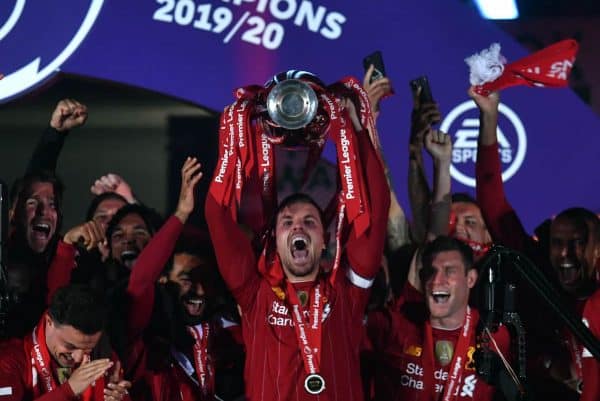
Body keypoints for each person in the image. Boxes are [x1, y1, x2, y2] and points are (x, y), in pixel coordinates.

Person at [206, 87, 390, 400]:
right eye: (287, 222)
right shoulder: (254, 294)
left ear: (324, 241)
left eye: (309, 221)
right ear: (274, 241)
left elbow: (377, 207)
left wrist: (355, 128)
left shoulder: (348, 293)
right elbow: (216, 213)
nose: (297, 227)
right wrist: (236, 136)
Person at [471, 86, 600, 398]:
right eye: (557, 242)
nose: (565, 254)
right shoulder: (536, 271)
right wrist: (489, 117)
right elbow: (492, 201)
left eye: (578, 242)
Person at [122, 157, 244, 401]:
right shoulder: (148, 333)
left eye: (205, 279)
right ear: (164, 280)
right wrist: (181, 213)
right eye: (187, 278)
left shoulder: (233, 331)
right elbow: (141, 280)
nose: (199, 289)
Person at [367, 236, 510, 401]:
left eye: (449, 271)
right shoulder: (393, 325)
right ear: (421, 278)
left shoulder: (494, 336)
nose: (436, 281)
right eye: (431, 272)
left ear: (470, 279)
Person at [0, 284, 131, 401]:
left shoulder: (104, 356)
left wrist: (120, 398)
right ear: (49, 322)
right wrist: (68, 390)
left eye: (87, 349)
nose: (78, 357)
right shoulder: (10, 361)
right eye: (70, 346)